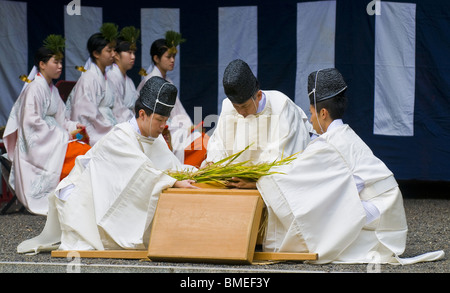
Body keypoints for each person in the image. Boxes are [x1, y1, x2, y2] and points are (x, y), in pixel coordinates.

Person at [256, 68, 445, 264]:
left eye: (311, 113)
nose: (310, 120)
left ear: (322, 113)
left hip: (380, 211)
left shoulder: (330, 144)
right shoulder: (344, 135)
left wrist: (260, 180)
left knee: (311, 212)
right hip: (388, 208)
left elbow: (294, 179)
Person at [17, 76, 198, 254]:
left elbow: (172, 167)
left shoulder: (155, 138)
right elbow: (141, 171)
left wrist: (196, 173)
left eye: (166, 120)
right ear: (142, 114)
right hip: (85, 203)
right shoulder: (120, 137)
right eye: (159, 120)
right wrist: (172, 182)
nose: (163, 126)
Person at [2, 35, 87, 215]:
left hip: (52, 141)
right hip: (37, 148)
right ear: (42, 64)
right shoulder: (34, 88)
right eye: (55, 62)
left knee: (85, 151)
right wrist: (63, 135)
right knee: (81, 155)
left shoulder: (52, 90)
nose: (60, 66)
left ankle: (76, 199)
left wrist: (74, 126)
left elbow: (62, 120)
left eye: (61, 62)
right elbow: (31, 124)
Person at [205, 59, 313, 188]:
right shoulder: (228, 106)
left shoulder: (282, 107)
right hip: (236, 185)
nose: (240, 112)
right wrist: (217, 167)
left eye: (245, 106)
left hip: (270, 188)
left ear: (259, 95)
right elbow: (218, 144)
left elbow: (284, 161)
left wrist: (255, 183)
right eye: (236, 107)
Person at [137, 31, 201, 165]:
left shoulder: (168, 81)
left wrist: (188, 126)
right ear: (156, 58)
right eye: (168, 57)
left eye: (174, 56)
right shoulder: (152, 81)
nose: (172, 60)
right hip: (160, 128)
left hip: (172, 125)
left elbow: (178, 111)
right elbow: (151, 115)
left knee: (199, 138)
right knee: (197, 142)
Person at [65, 23, 131, 146]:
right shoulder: (88, 78)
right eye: (109, 51)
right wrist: (111, 129)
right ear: (96, 54)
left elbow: (119, 108)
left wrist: (130, 124)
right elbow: (85, 114)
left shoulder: (108, 79)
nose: (113, 54)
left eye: (114, 50)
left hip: (110, 126)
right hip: (97, 131)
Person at [107, 26, 139, 115]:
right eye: (129, 52)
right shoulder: (111, 77)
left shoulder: (129, 81)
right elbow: (117, 110)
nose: (133, 57)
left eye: (133, 53)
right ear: (116, 55)